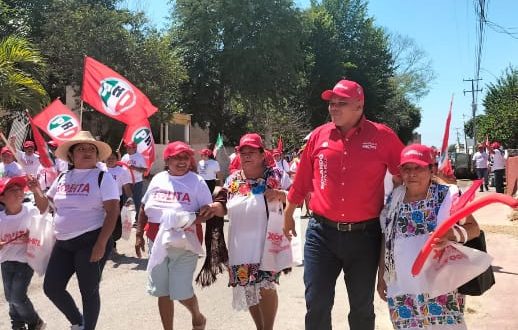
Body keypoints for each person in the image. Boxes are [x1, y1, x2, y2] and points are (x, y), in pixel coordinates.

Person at [283, 79, 405, 330]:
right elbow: (303, 179)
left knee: (361, 309)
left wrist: (436, 188)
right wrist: (288, 214)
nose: (333, 108)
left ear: (359, 106)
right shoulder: (319, 136)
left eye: (341, 103)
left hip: (365, 237)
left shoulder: (382, 136)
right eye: (331, 103)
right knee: (316, 305)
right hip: (321, 235)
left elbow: (407, 172)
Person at [377, 144, 480, 329]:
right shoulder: (395, 199)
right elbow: (387, 239)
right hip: (402, 285)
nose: (412, 174)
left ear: (431, 169)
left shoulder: (447, 196)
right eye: (406, 168)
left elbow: (474, 229)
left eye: (418, 167)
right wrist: (382, 276)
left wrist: (451, 235)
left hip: (440, 284)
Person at [135, 141, 219, 330]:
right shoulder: (158, 179)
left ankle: (197, 317)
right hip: (156, 241)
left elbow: (207, 213)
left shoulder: (197, 182)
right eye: (177, 158)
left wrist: (185, 219)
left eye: (185, 157)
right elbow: (143, 207)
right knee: (162, 291)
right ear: (167, 160)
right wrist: (139, 233)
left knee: (180, 292)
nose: (182, 161)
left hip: (186, 242)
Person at [43, 131, 120, 330]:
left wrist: (101, 244)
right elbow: (47, 204)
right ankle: (78, 322)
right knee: (52, 287)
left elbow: (112, 212)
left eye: (91, 149)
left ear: (97, 155)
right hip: (63, 242)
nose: (87, 152)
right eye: (81, 149)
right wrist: (35, 189)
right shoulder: (62, 176)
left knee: (89, 291)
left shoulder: (103, 177)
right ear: (71, 155)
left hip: (91, 240)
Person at [219, 133, 291, 330]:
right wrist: (211, 208)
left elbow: (297, 197)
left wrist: (279, 194)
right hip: (240, 245)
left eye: (252, 152)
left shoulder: (275, 175)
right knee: (248, 286)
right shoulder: (233, 180)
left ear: (262, 154)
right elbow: (223, 205)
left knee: (266, 287)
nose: (247, 156)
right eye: (243, 152)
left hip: (267, 242)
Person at [0, 175, 48, 330]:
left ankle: (35, 322)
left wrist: (36, 191)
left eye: (19, 189)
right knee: (9, 297)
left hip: (26, 260)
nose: (18, 192)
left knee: (17, 297)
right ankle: (17, 323)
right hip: (6, 261)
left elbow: (44, 210)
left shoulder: (30, 210)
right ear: (2, 197)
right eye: (12, 190)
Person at [105, 152, 133, 254]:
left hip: (116, 201)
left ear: (117, 160)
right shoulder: (100, 170)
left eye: (113, 158)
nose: (110, 160)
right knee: (101, 223)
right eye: (108, 158)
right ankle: (106, 247)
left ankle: (112, 246)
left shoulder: (122, 171)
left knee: (115, 224)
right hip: (101, 201)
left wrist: (130, 199)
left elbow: (126, 187)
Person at [121, 142, 147, 224]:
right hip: (125, 182)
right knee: (124, 201)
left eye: (130, 148)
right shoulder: (125, 156)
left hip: (137, 182)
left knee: (137, 201)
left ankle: (138, 220)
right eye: (127, 147)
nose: (128, 149)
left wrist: (134, 168)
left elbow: (145, 170)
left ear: (135, 148)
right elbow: (120, 166)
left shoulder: (139, 157)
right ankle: (124, 219)